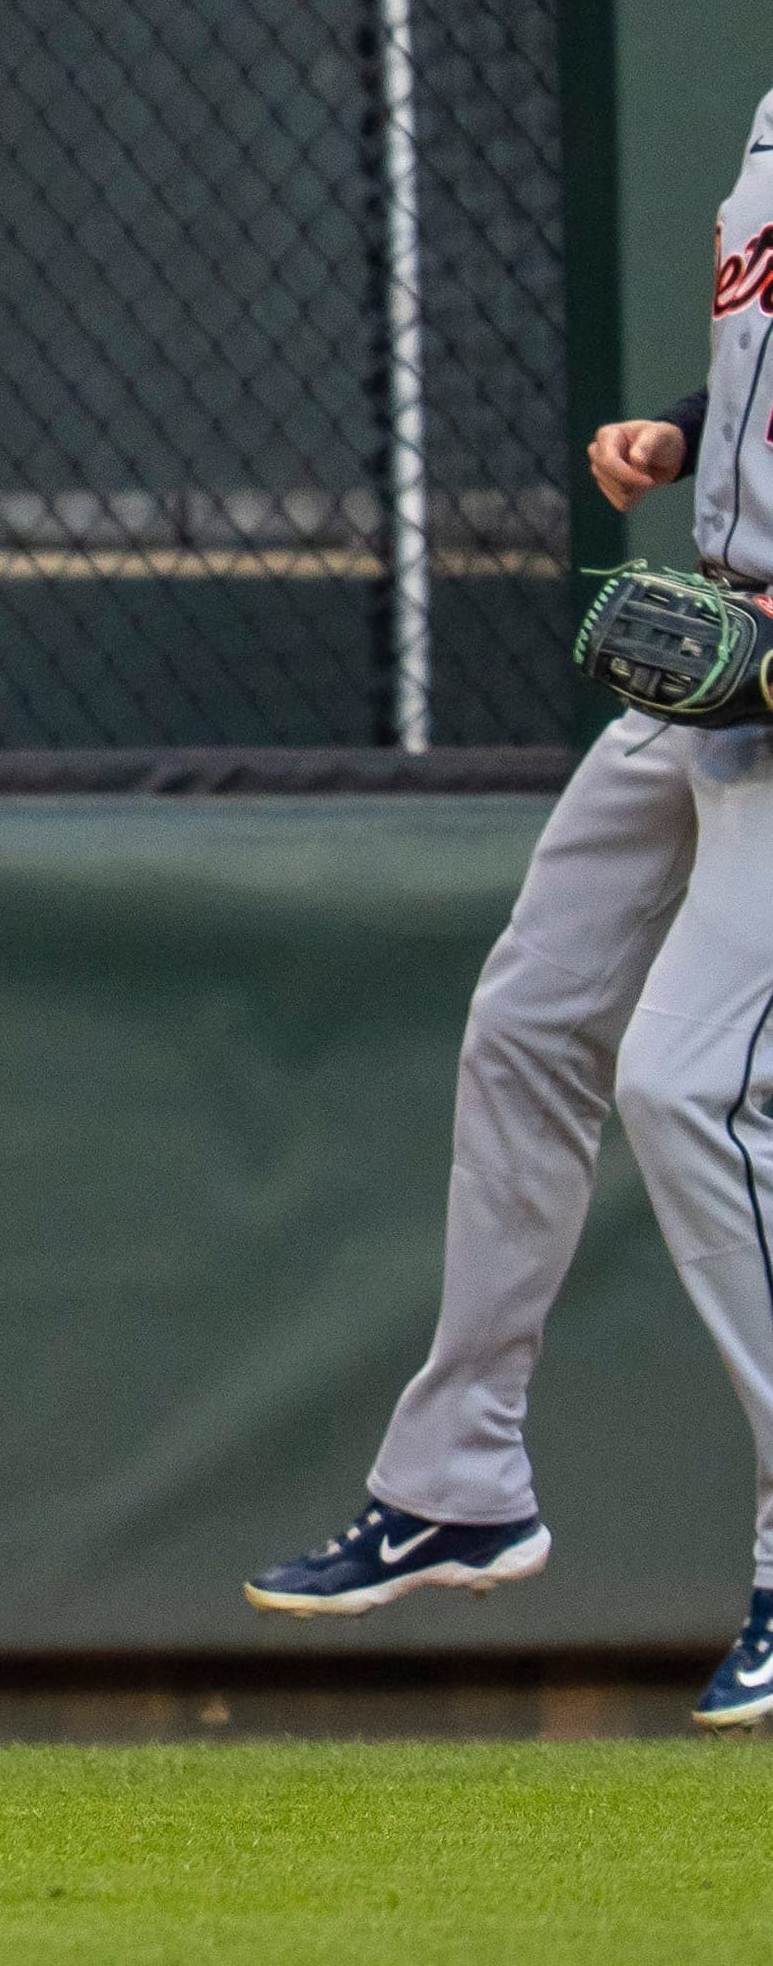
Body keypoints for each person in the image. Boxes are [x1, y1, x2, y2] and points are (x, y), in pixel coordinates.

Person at [243, 92, 773, 1732]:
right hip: (725, 654)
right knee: (530, 1021)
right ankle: (462, 1477)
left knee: (687, 1086)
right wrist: (687, 432)